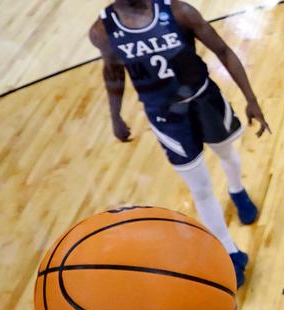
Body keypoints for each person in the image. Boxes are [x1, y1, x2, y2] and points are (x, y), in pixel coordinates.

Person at [89, 0, 270, 287]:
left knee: (227, 153)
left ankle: (237, 191)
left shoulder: (178, 12)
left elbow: (222, 50)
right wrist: (116, 116)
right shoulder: (103, 31)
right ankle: (230, 252)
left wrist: (252, 99)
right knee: (200, 187)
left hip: (203, 98)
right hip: (166, 116)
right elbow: (112, 72)